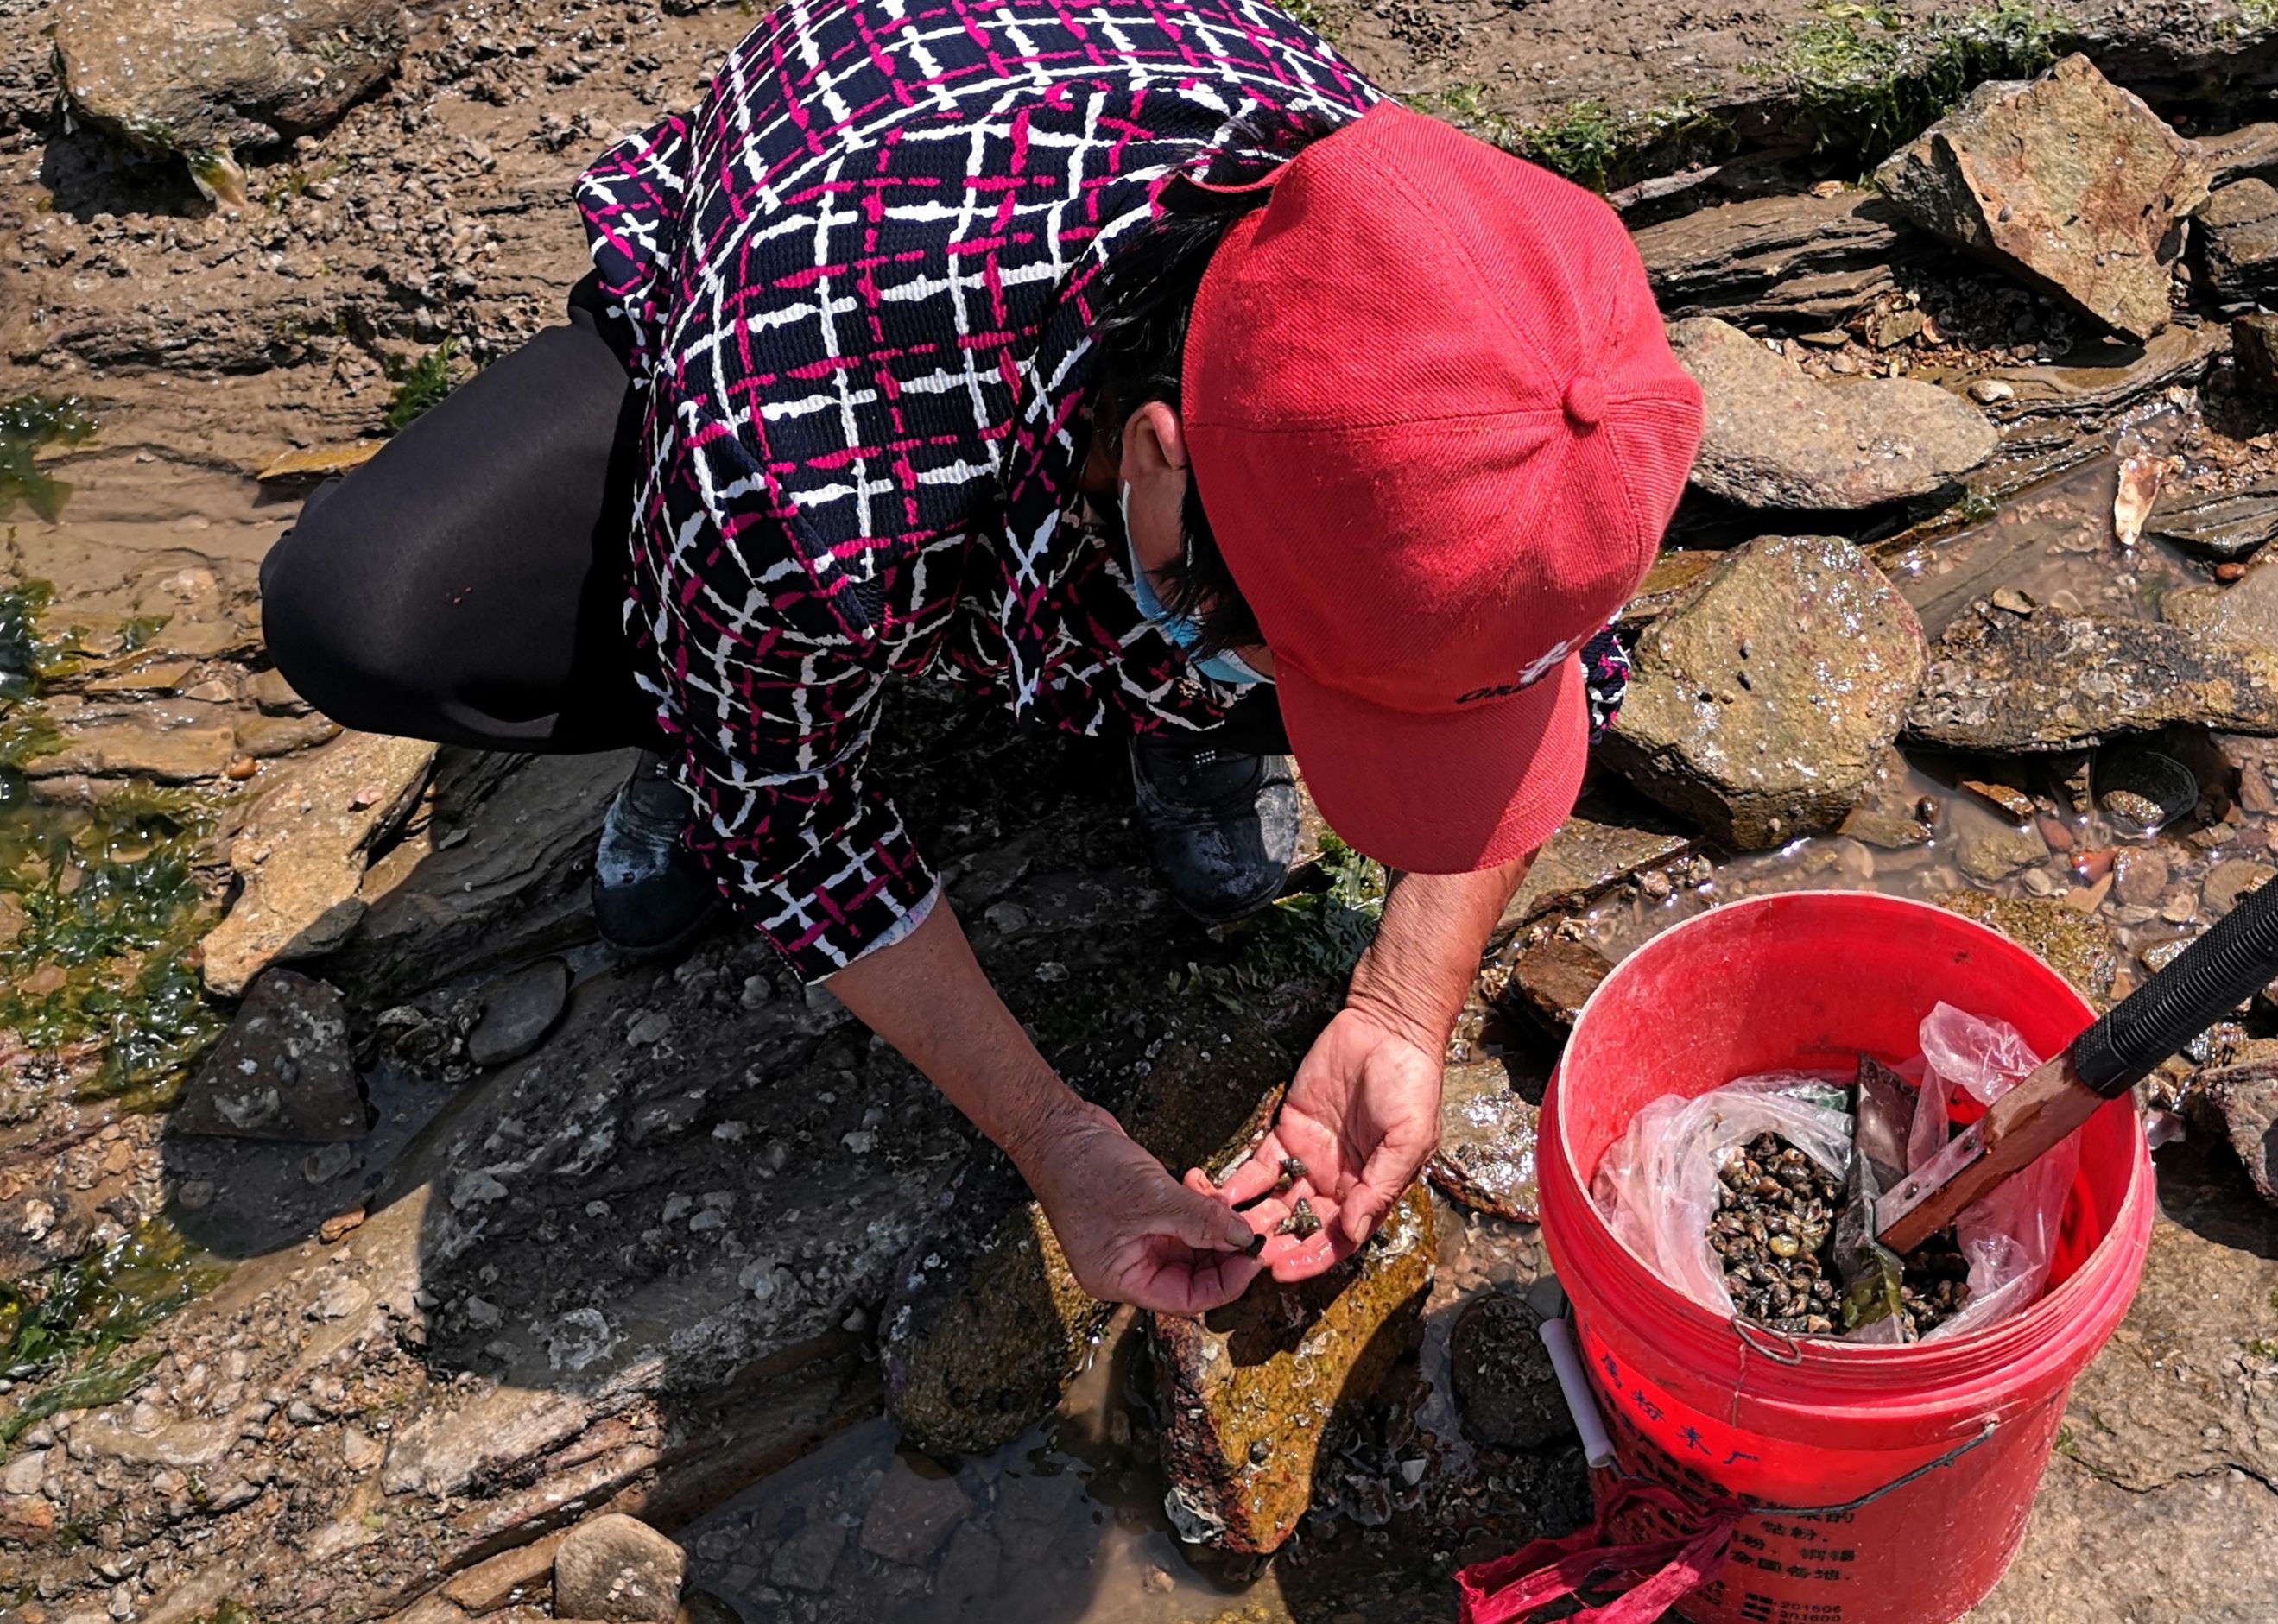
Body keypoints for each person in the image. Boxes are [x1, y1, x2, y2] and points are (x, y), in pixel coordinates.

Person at [259, 0, 1700, 1317]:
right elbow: (794, 825)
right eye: (1285, 673)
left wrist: (1400, 1004)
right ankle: (699, 677)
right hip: (837, 218)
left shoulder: (1486, 317)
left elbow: (1559, 657)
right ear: (1153, 458)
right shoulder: (797, 447)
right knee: (383, 614)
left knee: (1258, 614)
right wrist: (1052, 1134)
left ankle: (1193, 697)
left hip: (1122, 400)